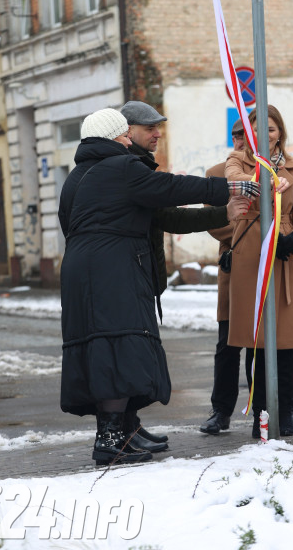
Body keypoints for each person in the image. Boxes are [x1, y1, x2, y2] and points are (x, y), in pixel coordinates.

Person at [58, 107, 259, 466]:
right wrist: (229, 188)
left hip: (79, 269)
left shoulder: (77, 177)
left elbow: (70, 222)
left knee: (103, 350)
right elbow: (172, 187)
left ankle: (117, 434)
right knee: (120, 348)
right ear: (114, 137)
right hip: (113, 268)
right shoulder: (121, 167)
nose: (126, 140)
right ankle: (111, 439)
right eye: (124, 134)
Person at [120, 101, 249, 448]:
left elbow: (169, 217)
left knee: (139, 356)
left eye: (157, 127)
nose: (157, 134)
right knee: (130, 357)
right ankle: (122, 429)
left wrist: (223, 211)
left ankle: (129, 424)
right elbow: (176, 197)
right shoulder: (131, 170)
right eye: (150, 128)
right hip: (128, 276)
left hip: (141, 276)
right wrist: (227, 200)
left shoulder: (137, 166)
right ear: (127, 131)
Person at [225, 105, 293, 438]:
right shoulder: (239, 161)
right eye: (258, 129)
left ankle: (287, 410)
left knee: (286, 341)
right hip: (251, 254)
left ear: (281, 133)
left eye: (272, 130)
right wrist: (268, 177)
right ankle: (260, 412)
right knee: (257, 340)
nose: (265, 135)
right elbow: (235, 182)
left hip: (285, 256)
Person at [200, 118, 246, 435]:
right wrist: (251, 234)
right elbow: (214, 223)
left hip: (267, 267)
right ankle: (221, 411)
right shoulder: (217, 174)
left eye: (247, 136)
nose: (240, 141)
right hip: (234, 263)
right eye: (236, 136)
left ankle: (279, 409)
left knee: (275, 344)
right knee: (227, 344)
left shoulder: (274, 172)